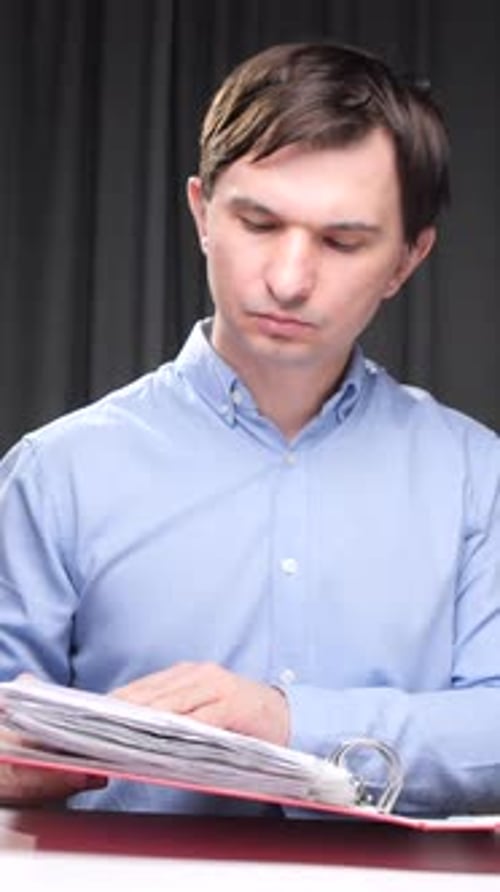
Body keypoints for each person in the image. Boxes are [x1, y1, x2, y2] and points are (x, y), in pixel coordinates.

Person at [0, 41, 499, 819]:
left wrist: (289, 723)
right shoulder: (56, 472)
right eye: (258, 222)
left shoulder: (477, 477)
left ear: (407, 260)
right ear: (202, 213)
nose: (289, 280)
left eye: (342, 242)